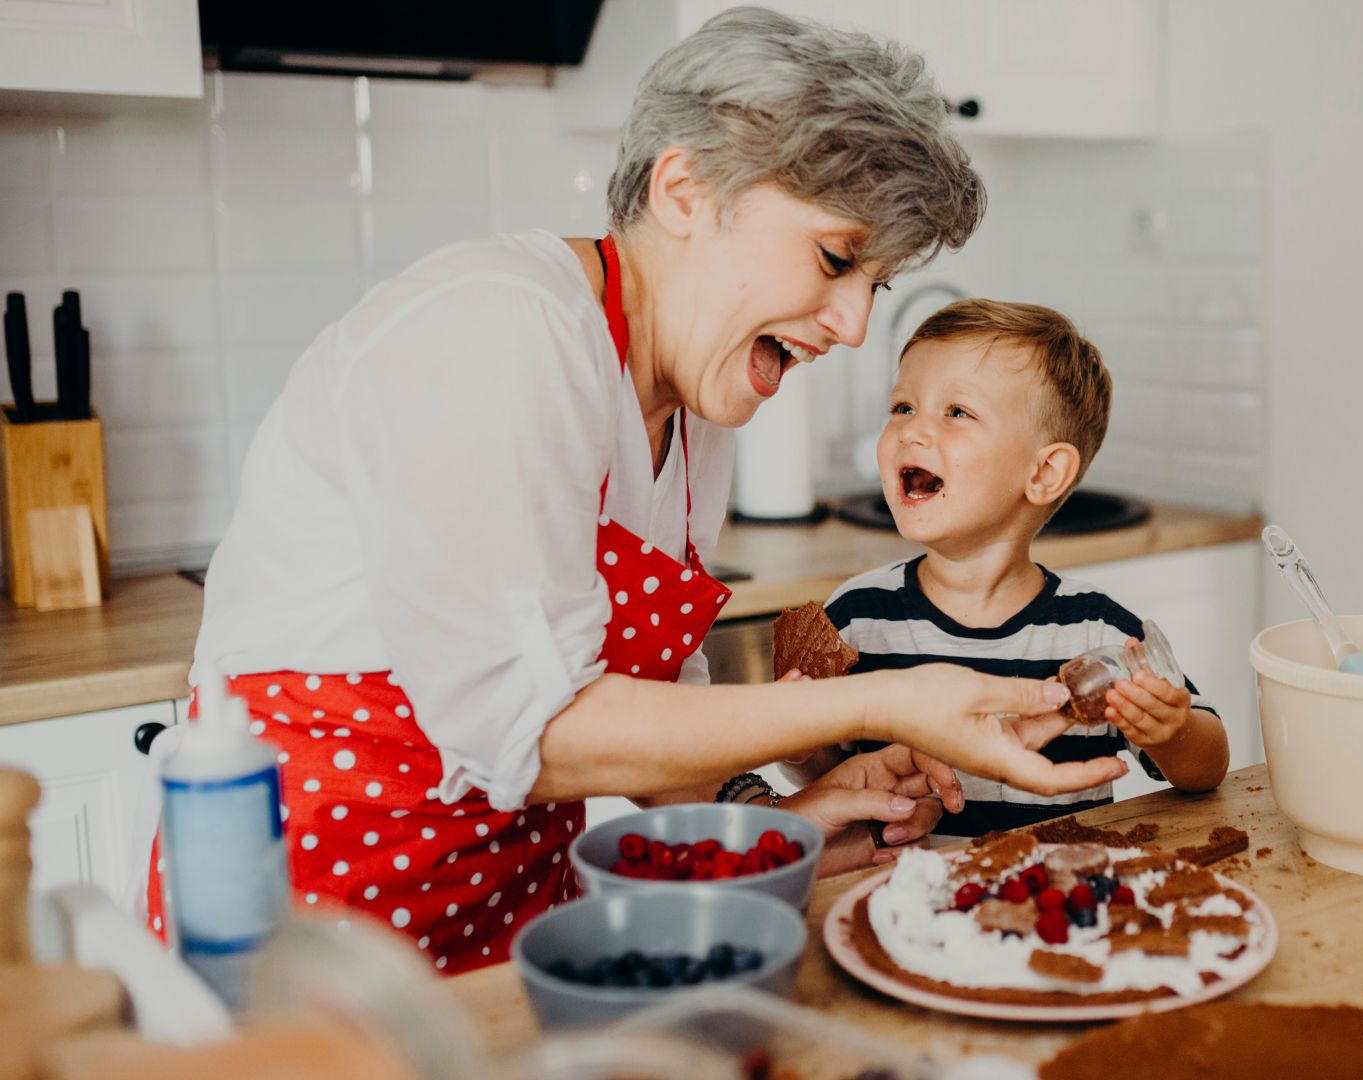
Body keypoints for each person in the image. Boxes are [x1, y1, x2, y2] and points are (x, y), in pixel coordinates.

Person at [147, 9, 1126, 975]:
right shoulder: (499, 335)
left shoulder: (691, 404)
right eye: (836, 259)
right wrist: (894, 700)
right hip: (307, 936)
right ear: (686, 189)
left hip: (516, 921)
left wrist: (772, 825)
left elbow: (653, 716)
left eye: (873, 283)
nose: (855, 325)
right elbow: (535, 735)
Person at [792, 300, 1230, 837]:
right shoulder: (854, 619)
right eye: (903, 407)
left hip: (1053, 904)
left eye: (957, 412)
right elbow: (823, 779)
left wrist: (1172, 731)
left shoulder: (1098, 632)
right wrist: (801, 743)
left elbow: (1208, 767)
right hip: (898, 901)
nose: (912, 431)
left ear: (1044, 473)